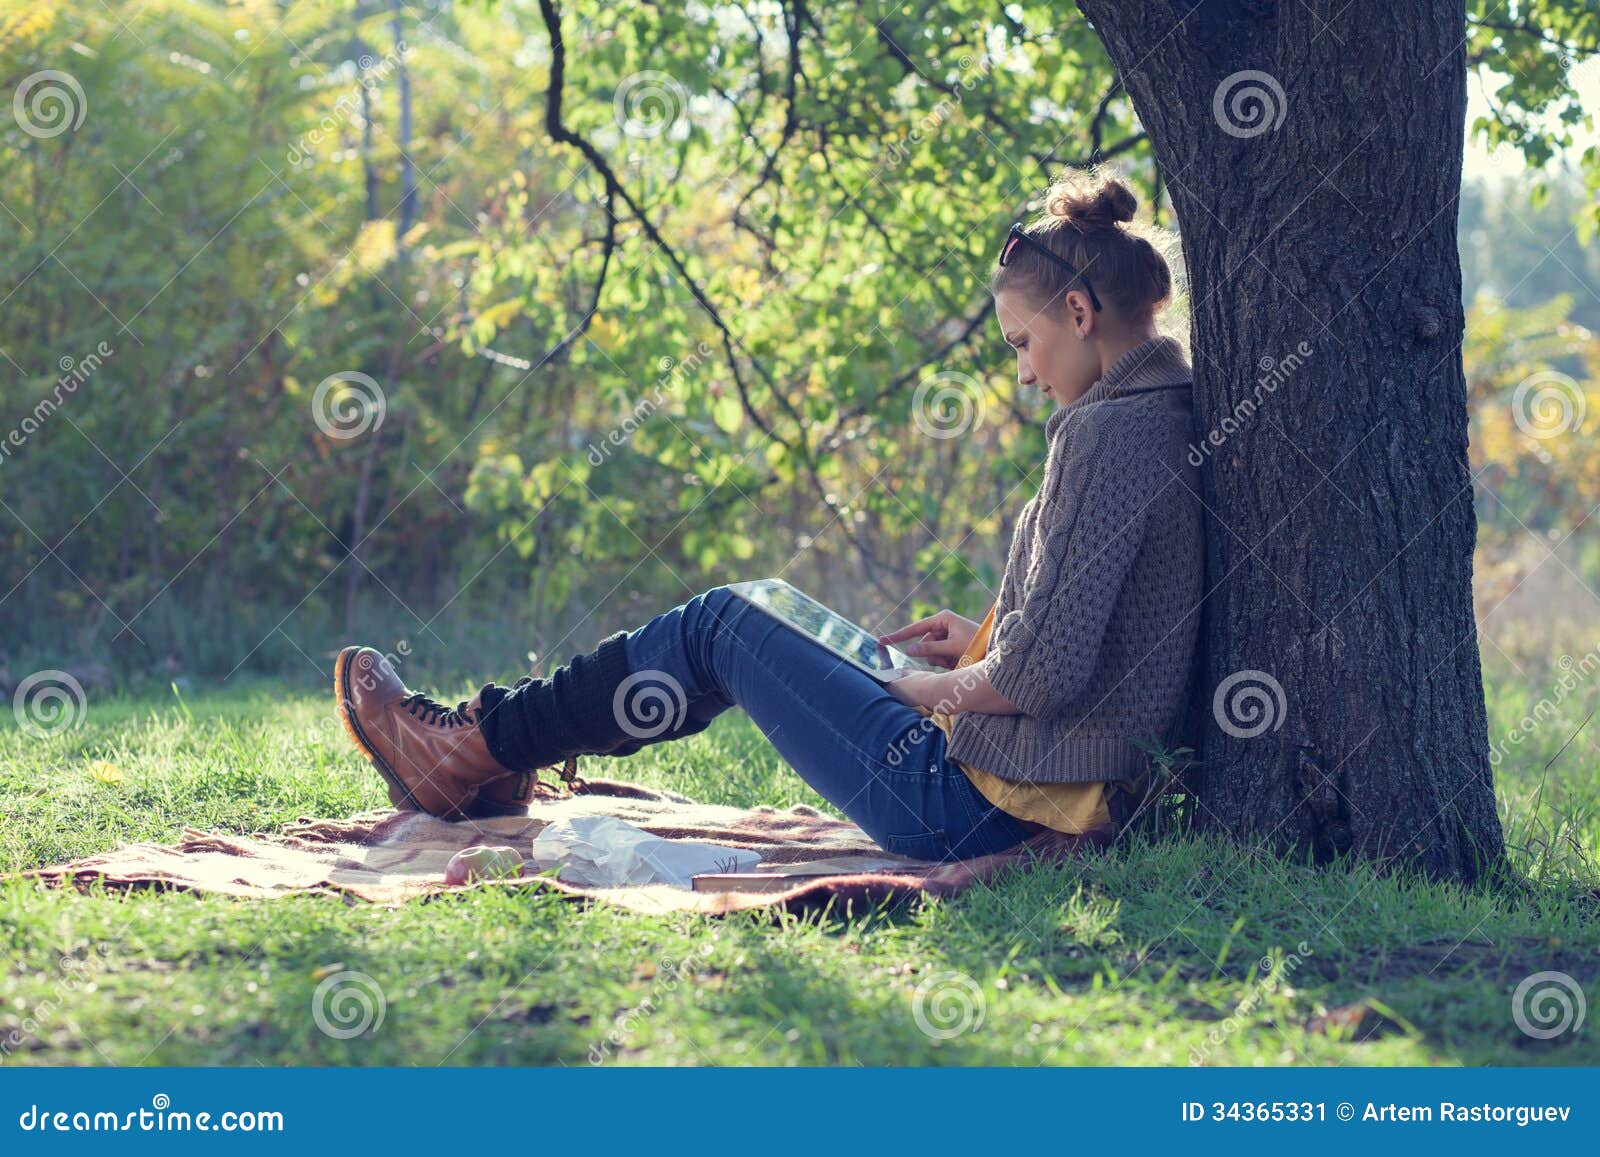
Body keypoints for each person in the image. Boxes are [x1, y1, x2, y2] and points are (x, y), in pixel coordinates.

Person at [334, 165, 1203, 863]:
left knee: (726, 624)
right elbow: (1088, 639)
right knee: (761, 610)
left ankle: (475, 750)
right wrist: (980, 638)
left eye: (1021, 342)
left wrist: (920, 689)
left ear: (1080, 314)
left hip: (977, 805)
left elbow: (1036, 681)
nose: (1021, 371)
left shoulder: (1108, 433)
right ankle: (491, 755)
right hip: (1012, 788)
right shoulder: (1155, 414)